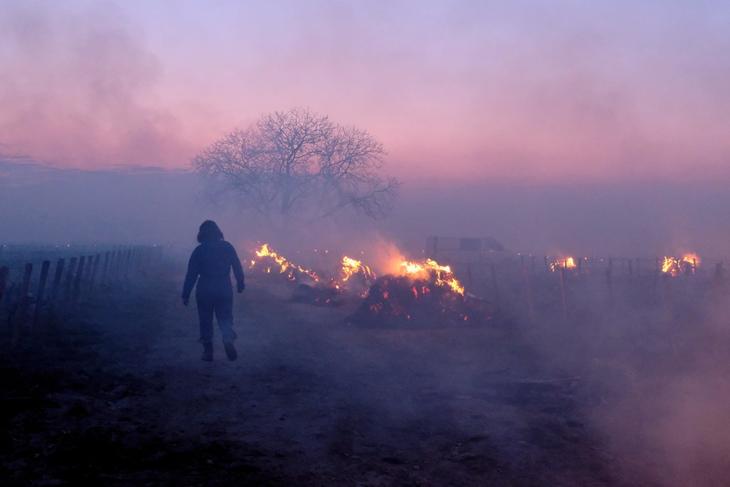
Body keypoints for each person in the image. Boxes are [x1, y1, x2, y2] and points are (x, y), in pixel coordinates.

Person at [182, 220, 245, 361]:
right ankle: (228, 339)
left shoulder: (199, 251)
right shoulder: (227, 247)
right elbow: (237, 266)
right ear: (218, 232)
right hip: (224, 287)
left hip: (205, 287)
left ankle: (208, 351)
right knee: (225, 316)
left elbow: (191, 274)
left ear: (201, 234)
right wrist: (240, 282)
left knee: (205, 319)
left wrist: (186, 294)